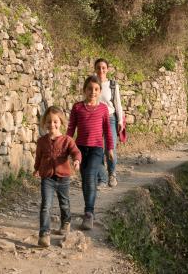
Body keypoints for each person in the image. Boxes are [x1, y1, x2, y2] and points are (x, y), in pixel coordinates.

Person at [67, 75, 114, 230]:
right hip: (80, 149)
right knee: (85, 180)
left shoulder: (103, 109)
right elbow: (71, 128)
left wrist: (110, 148)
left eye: (96, 89)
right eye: (89, 89)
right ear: (84, 90)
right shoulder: (77, 107)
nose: (92, 92)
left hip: (96, 149)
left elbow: (107, 131)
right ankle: (88, 209)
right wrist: (67, 146)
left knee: (90, 176)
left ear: (100, 91)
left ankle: (89, 213)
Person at [33, 106, 82, 247]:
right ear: (44, 123)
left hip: (63, 178)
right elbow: (39, 157)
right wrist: (37, 169)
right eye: (48, 122)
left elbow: (75, 152)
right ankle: (44, 234)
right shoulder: (42, 141)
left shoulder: (67, 140)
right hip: (47, 178)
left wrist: (77, 161)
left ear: (61, 122)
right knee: (45, 206)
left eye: (55, 121)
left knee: (64, 203)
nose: (52, 125)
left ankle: (66, 222)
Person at [94, 58, 124, 188]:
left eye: (103, 68)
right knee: (98, 149)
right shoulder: (92, 84)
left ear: (107, 69)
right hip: (95, 119)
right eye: (98, 68)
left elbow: (117, 103)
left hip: (110, 118)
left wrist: (120, 120)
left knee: (110, 148)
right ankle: (102, 178)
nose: (101, 70)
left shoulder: (112, 85)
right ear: (95, 69)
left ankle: (112, 174)